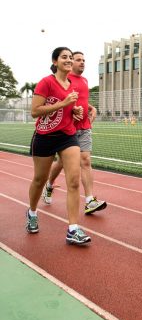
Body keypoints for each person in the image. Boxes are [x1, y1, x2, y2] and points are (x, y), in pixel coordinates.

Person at [26, 47, 91, 245]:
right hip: (45, 136)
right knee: (39, 179)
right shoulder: (46, 82)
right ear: (55, 61)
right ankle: (32, 212)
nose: (69, 60)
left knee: (73, 180)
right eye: (65, 57)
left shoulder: (73, 84)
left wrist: (75, 111)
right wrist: (63, 104)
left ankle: (73, 228)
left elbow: (69, 109)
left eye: (71, 57)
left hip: (67, 135)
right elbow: (35, 111)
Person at [42, 52, 107, 215]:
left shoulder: (84, 80)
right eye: (78, 60)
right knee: (62, 163)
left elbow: (81, 99)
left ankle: (90, 200)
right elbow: (59, 100)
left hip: (84, 127)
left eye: (84, 60)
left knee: (85, 160)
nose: (82, 63)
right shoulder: (63, 79)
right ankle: (49, 185)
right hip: (67, 128)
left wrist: (91, 108)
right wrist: (70, 112)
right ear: (71, 63)